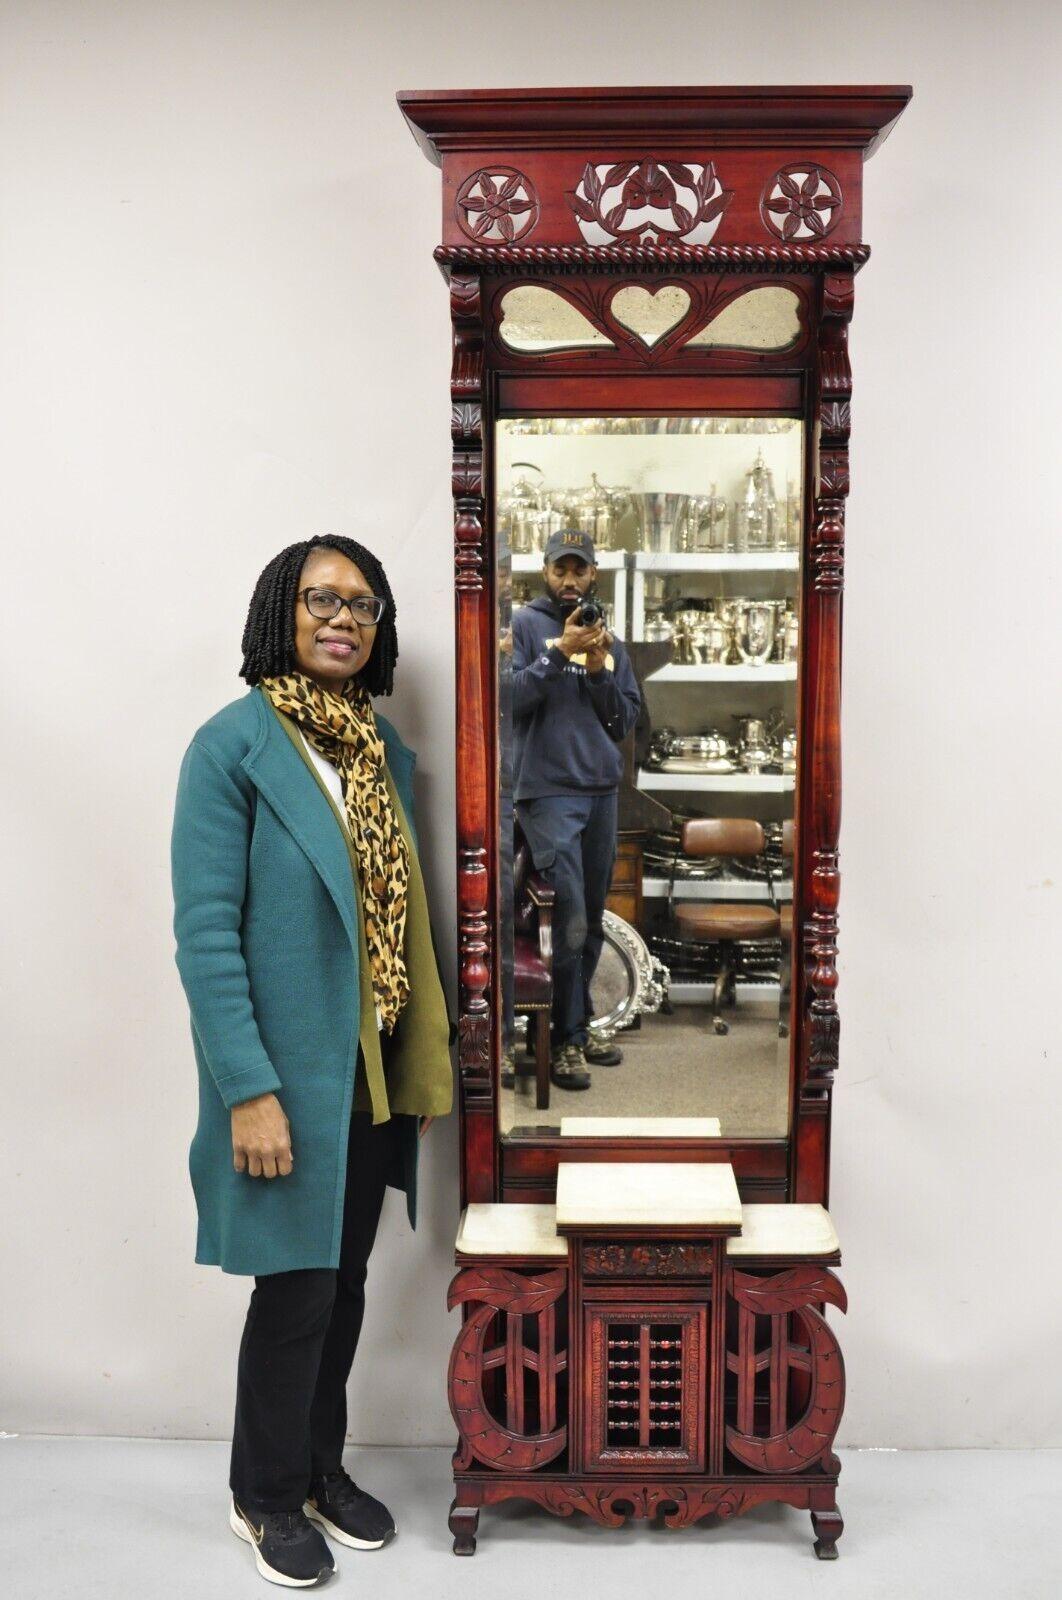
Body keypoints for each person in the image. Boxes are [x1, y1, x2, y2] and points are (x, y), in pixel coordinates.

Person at [170, 537, 453, 1588]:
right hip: (285, 1082)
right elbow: (206, 933)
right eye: (323, 598)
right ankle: (263, 1492)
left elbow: (403, 923)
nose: (345, 617)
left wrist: (418, 1067)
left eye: (365, 604)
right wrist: (248, 1090)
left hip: (372, 1075)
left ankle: (320, 1465)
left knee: (344, 1284)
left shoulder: (382, 753)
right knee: (292, 1294)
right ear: (280, 610)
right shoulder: (230, 747)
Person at [509, 530, 641, 1090]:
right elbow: (507, 699)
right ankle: (563, 1043)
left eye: (579, 570)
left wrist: (596, 669)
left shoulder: (607, 639)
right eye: (560, 569)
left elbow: (624, 721)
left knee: (590, 917)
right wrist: (558, 654)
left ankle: (574, 1026)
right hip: (547, 792)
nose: (569, 580)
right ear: (544, 570)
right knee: (569, 917)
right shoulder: (526, 626)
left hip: (600, 793)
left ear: (593, 575)